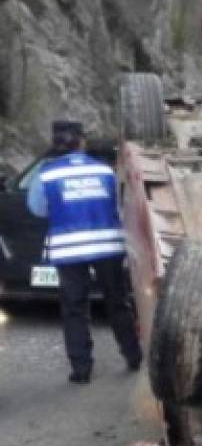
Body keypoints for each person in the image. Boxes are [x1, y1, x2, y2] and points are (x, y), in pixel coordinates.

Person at [26, 119, 142, 384]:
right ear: (81, 142)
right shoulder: (104, 171)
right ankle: (133, 356)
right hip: (108, 246)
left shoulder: (46, 174)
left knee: (74, 308)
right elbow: (119, 205)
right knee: (117, 302)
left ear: (55, 144)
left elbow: (37, 209)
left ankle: (81, 370)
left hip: (69, 250)